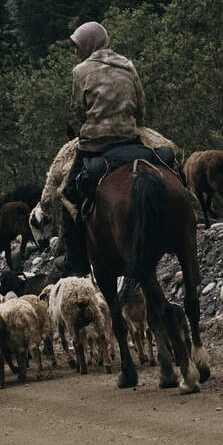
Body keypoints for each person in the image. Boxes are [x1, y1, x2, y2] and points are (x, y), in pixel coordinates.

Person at [60, 21, 148, 278]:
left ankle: (75, 264)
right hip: (130, 138)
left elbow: (77, 111)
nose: (77, 51)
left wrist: (80, 132)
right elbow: (141, 106)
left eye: (78, 45)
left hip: (96, 145)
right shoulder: (128, 65)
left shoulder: (81, 70)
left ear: (88, 44)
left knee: (68, 196)